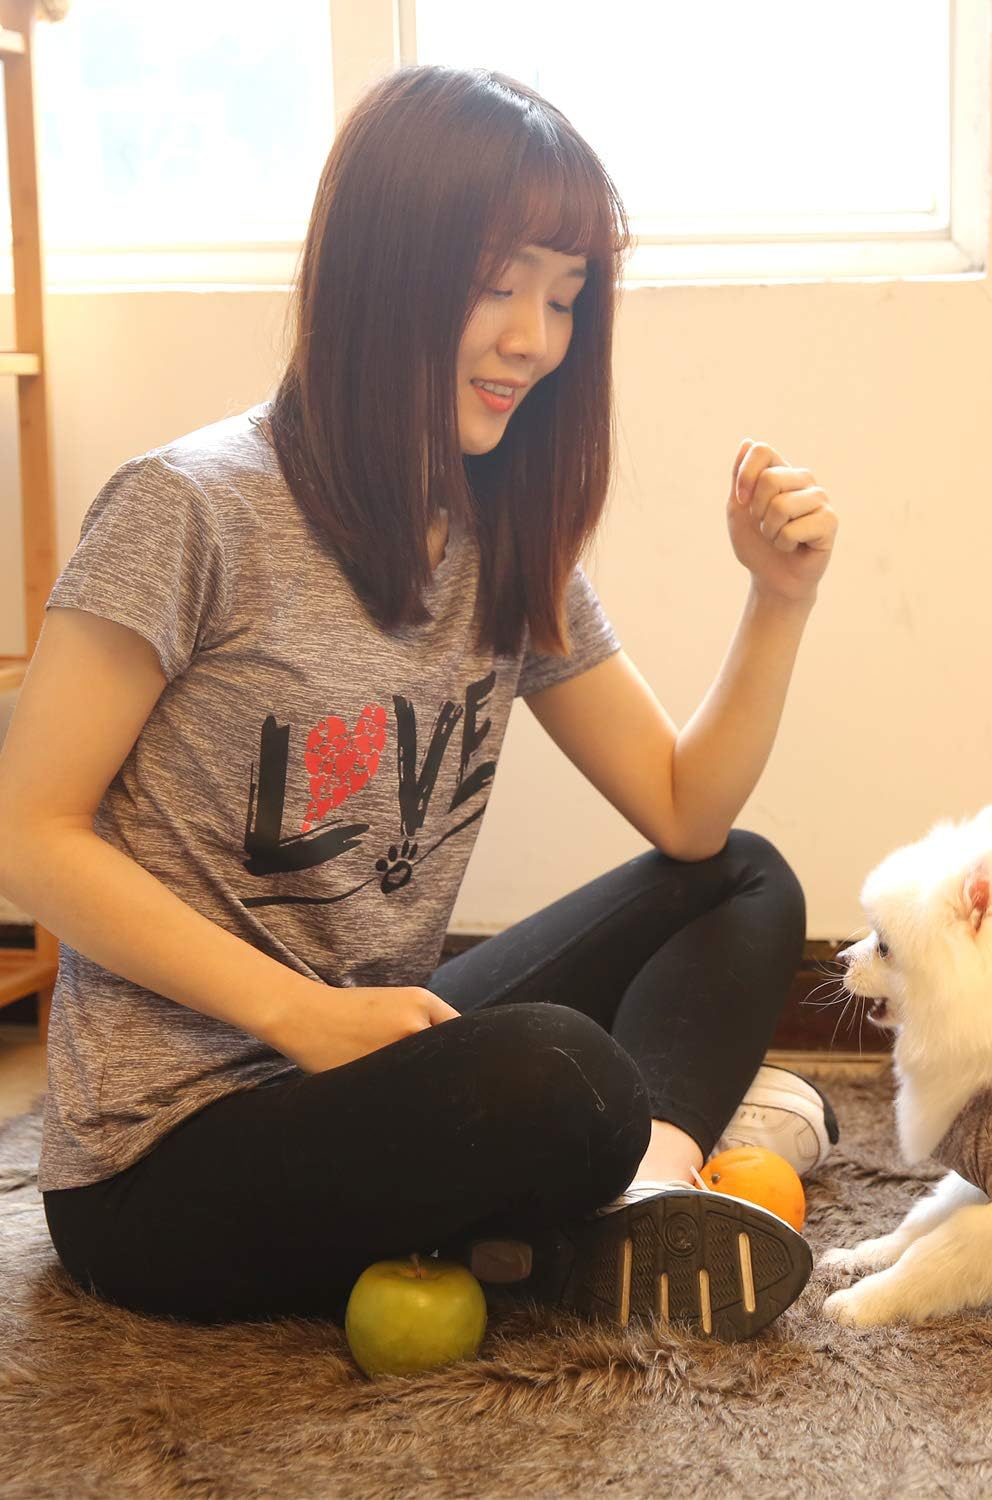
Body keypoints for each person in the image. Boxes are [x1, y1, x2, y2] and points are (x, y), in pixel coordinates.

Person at [0, 67, 841, 1343]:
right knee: (560, 1075)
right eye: (498, 284)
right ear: (382, 271)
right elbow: (26, 832)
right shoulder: (190, 509)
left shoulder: (503, 537)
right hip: (162, 1158)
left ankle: (652, 1188)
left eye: (565, 296)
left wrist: (777, 600)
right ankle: (579, 1185)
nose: (535, 339)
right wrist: (300, 1015)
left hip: (376, 1059)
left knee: (744, 879)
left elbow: (687, 812)